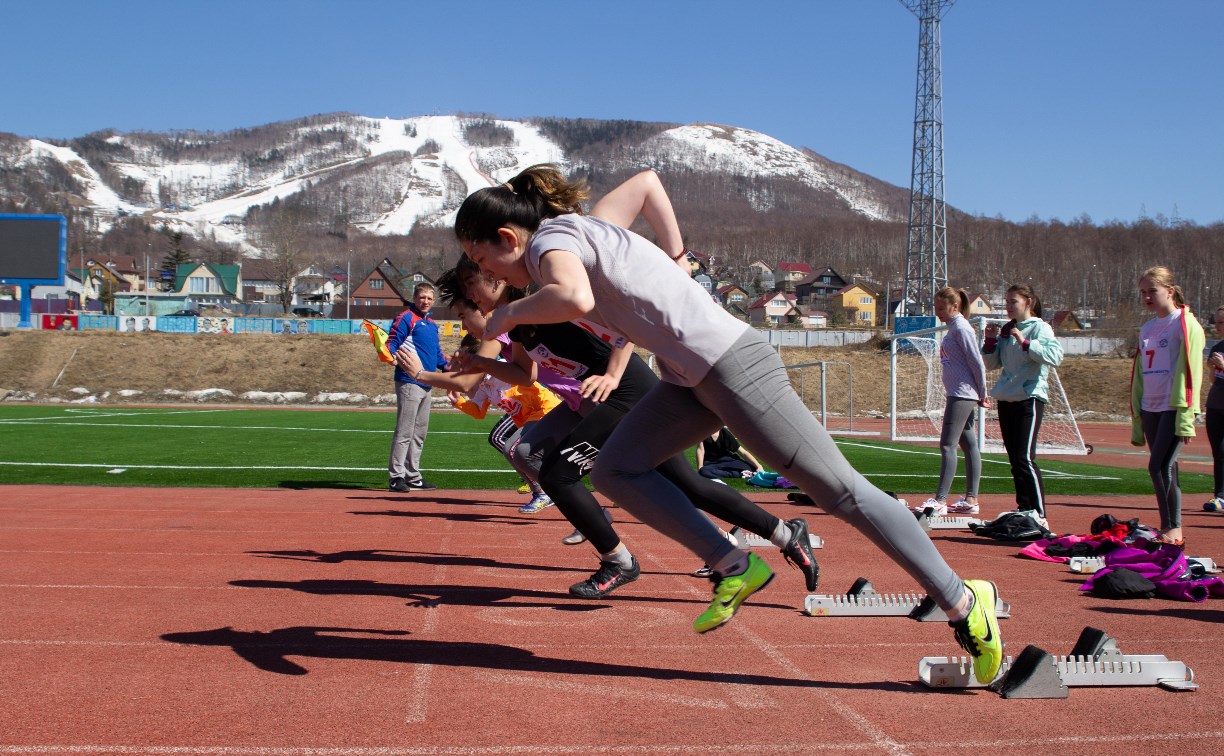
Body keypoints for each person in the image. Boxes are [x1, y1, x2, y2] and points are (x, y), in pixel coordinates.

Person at [457, 165, 1001, 684]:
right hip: (687, 380)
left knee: (843, 493)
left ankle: (962, 599)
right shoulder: (588, 225)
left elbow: (573, 297)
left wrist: (506, 317)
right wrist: (676, 256)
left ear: (508, 238)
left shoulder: (554, 242)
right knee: (616, 470)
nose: (492, 278)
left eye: (484, 262)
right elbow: (646, 185)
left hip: (732, 365)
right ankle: (734, 564)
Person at [403, 273, 580, 513]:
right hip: (569, 404)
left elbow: (468, 382)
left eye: (464, 317)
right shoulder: (503, 343)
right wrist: (462, 395)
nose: (463, 326)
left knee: (517, 450)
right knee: (522, 453)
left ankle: (558, 495)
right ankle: (582, 507)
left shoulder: (503, 335)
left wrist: (421, 374)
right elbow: (519, 379)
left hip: (554, 407)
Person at [1130, 267, 1205, 547]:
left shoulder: (1185, 323)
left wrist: (1187, 415)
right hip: (1151, 406)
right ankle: (1171, 527)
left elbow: (1192, 370)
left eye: (1153, 291)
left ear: (1170, 291)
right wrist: (1137, 409)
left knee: (1158, 466)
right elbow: (1140, 370)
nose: (1147, 297)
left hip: (1174, 406)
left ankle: (1172, 528)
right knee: (1167, 469)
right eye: (1143, 292)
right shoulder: (1148, 328)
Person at [981, 284, 1063, 530]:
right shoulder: (1008, 329)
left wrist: (1026, 342)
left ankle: (1039, 514)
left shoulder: (1040, 327)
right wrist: (990, 341)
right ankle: (1024, 508)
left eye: (1012, 302)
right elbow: (992, 364)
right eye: (1006, 302)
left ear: (1028, 301)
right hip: (1007, 398)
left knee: (1025, 457)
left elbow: (1055, 356)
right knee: (1015, 459)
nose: (1008, 306)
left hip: (1030, 397)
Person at [918, 287, 990, 516]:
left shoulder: (961, 328)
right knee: (968, 445)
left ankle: (940, 500)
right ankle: (971, 499)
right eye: (936, 308)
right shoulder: (953, 329)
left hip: (963, 394)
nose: (938, 312)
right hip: (959, 392)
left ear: (955, 306)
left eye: (941, 308)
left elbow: (977, 362)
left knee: (947, 444)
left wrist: (983, 392)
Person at [387, 282, 448, 492]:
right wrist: (390, 356)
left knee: (419, 432)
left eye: (430, 298)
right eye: (422, 297)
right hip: (408, 381)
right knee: (405, 431)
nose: (426, 301)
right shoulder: (406, 318)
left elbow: (437, 353)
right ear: (414, 298)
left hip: (427, 382)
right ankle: (396, 477)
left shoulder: (431, 324)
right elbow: (391, 342)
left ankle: (413, 475)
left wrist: (448, 368)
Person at [1205, 306, 1224, 513]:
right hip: (1216, 405)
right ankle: (1220, 495)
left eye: (1221, 322)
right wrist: (1212, 370)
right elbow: (1213, 380)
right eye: (1216, 322)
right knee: (1218, 452)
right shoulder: (1217, 347)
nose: (1217, 326)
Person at [695, 427, 763, 481]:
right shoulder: (703, 432)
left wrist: (758, 466)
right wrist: (700, 468)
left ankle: (739, 473)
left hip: (729, 461)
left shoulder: (724, 432)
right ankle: (739, 474)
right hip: (712, 463)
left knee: (752, 467)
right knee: (704, 471)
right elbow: (700, 450)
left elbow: (743, 452)